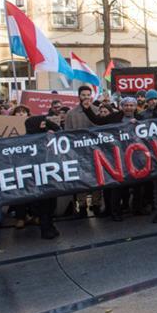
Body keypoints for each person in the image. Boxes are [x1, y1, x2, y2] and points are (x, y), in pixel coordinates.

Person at [65, 85, 104, 217]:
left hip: (95, 151)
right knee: (81, 178)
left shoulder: (98, 110)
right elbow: (67, 134)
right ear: (79, 96)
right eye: (83, 95)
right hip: (78, 152)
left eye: (88, 95)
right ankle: (82, 205)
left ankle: (96, 203)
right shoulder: (71, 114)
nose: (86, 98)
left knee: (97, 177)